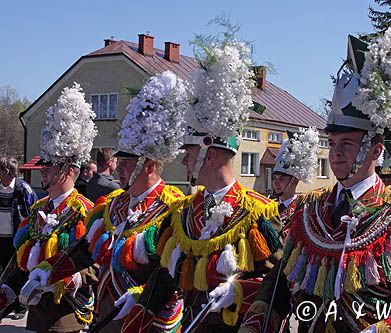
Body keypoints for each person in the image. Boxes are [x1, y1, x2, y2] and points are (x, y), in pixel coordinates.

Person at [240, 25, 391, 333]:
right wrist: (259, 317)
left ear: (375, 149)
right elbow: (281, 281)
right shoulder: (309, 208)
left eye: (348, 144)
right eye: (334, 144)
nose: (336, 154)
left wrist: (387, 329)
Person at [120, 38, 281, 333]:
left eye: (189, 154)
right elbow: (167, 273)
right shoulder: (183, 212)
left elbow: (278, 283)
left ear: (211, 154)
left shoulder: (258, 211)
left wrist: (240, 291)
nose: (183, 162)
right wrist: (142, 302)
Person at [24, 71, 190, 333]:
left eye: (125, 164)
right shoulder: (113, 206)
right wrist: (49, 270)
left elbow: (175, 270)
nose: (118, 170)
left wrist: (141, 296)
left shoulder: (174, 208)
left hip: (149, 320)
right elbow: (86, 249)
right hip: (107, 318)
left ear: (147, 167)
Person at [0, 83, 98, 332]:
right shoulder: (38, 208)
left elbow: (97, 261)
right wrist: (9, 288)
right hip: (36, 315)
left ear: (67, 170)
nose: (43, 171)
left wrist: (70, 277)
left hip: (64, 316)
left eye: (50, 166)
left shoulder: (85, 210)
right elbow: (24, 255)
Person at [0, 156, 38, 320]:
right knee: (3, 273)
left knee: (19, 270)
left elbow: (35, 214)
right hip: (1, 238)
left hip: (17, 240)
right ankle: (3, 305)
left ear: (6, 171)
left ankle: (20, 306)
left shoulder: (24, 190)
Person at [271, 128, 320, 234]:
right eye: (274, 178)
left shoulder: (304, 208)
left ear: (294, 181)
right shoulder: (267, 206)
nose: (276, 183)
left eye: (282, 179)